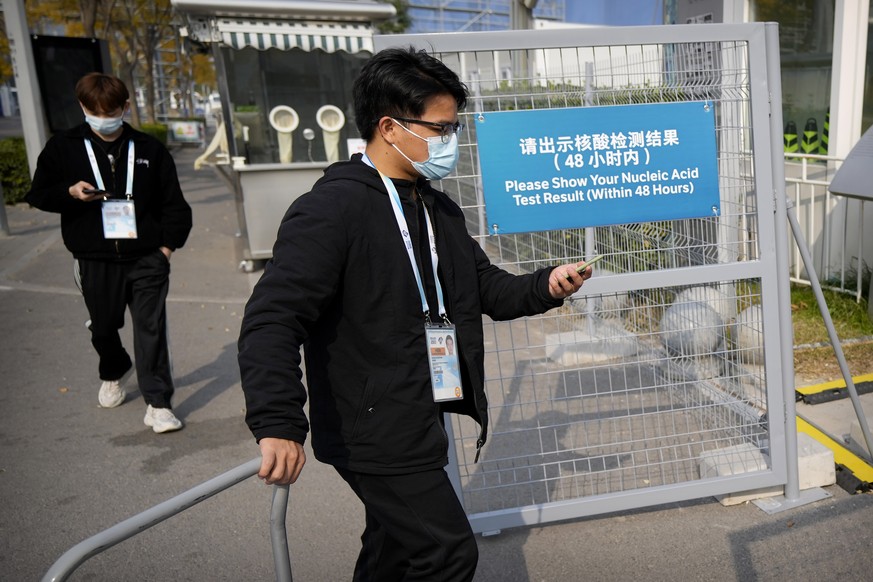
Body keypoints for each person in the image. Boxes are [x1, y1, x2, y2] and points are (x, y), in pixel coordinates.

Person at [238, 46, 592, 581]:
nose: (450, 142)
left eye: (453, 129)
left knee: (393, 547)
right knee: (446, 552)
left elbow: (484, 288)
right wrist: (278, 423)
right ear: (390, 127)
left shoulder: (435, 205)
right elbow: (271, 320)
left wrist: (546, 285)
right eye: (441, 129)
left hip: (420, 408)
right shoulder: (331, 210)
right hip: (372, 426)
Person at [25, 72, 192, 433]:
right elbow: (38, 194)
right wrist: (69, 193)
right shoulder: (64, 147)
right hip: (93, 257)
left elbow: (174, 205)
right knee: (103, 327)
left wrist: (165, 248)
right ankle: (114, 368)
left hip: (147, 256)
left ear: (125, 107)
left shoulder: (148, 149)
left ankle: (158, 403)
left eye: (112, 110)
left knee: (150, 329)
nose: (105, 117)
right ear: (84, 108)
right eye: (96, 110)